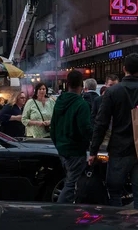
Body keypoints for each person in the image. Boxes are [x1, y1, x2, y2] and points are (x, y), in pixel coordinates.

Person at [89, 54, 138, 210]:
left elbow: (101, 123)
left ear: (124, 69)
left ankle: (117, 222)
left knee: (114, 190)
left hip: (118, 147)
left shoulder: (112, 92)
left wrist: (93, 150)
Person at [51, 70, 93, 204]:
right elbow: (85, 129)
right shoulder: (82, 104)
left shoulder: (59, 102)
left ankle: (69, 210)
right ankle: (61, 212)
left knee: (69, 181)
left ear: (67, 84)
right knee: (71, 183)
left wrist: (58, 144)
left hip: (62, 149)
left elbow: (53, 126)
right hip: (76, 149)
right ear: (81, 85)